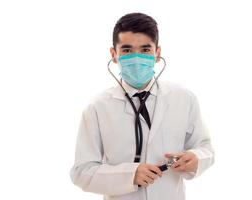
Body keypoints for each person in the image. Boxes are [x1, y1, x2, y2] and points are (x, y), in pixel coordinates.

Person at [70, 12, 214, 200]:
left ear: (157, 53)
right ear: (114, 55)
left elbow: (205, 148)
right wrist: (129, 175)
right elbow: (81, 172)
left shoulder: (184, 98)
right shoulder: (97, 108)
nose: (137, 58)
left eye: (145, 50)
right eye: (127, 50)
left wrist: (196, 159)